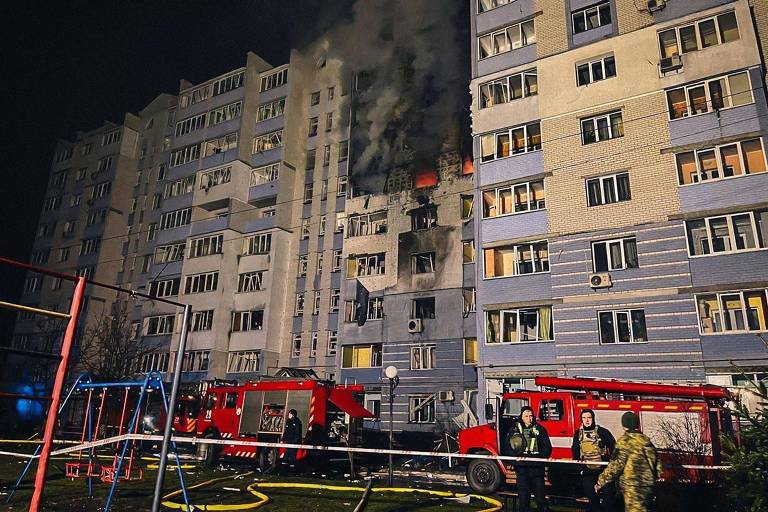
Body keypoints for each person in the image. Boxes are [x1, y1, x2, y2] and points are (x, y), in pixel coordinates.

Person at [596, 412, 662, 512]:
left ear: (624, 426)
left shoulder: (624, 441)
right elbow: (658, 465)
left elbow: (616, 465)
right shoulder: (647, 441)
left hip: (632, 486)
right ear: (637, 424)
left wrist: (601, 481)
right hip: (648, 485)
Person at [505, 406, 552, 512]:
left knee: (541, 500)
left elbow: (547, 448)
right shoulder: (514, 430)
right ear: (521, 417)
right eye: (526, 416)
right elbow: (507, 448)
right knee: (523, 501)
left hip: (537, 470)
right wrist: (514, 459)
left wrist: (539, 459)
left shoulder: (540, 429)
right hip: (522, 469)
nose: (529, 418)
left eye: (531, 416)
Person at [571, 409, 617, 512]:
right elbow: (575, 450)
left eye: (589, 418)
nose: (586, 420)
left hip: (604, 470)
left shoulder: (602, 432)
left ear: (593, 418)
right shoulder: (578, 434)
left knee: (608, 499)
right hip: (588, 470)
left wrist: (610, 464)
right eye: (584, 418)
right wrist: (580, 468)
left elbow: (613, 446)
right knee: (592, 498)